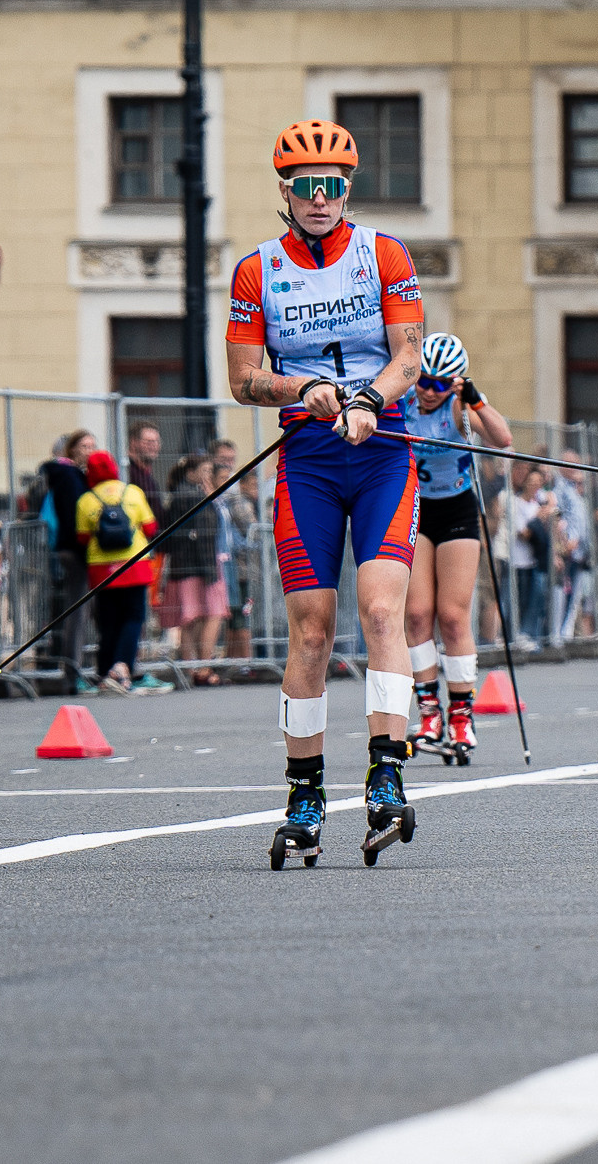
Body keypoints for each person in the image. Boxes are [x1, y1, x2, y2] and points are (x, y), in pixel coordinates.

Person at [225, 117, 425, 868]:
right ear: (285, 190)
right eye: (305, 186)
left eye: (332, 186)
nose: (319, 198)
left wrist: (369, 399)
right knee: (312, 630)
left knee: (381, 608)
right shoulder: (257, 270)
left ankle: (387, 772)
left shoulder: (383, 254)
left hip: (381, 447)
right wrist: (299, 385)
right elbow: (243, 378)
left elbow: (410, 353)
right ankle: (303, 792)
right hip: (307, 456)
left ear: (348, 188)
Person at [400, 331, 513, 761]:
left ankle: (462, 716)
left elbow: (501, 439)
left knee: (451, 615)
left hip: (458, 510)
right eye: (423, 380)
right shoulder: (405, 401)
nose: (428, 391)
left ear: (455, 384)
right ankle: (429, 712)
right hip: (415, 508)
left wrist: (476, 400)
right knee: (416, 614)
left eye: (439, 383)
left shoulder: (457, 406)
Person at [75, 448, 166, 695]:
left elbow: (82, 537)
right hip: (135, 563)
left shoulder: (86, 499)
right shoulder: (132, 492)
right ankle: (123, 668)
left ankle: (105, 672)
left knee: (108, 622)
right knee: (134, 617)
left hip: (101, 569)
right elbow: (150, 526)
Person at [159, 452, 227, 686]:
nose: (209, 475)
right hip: (197, 565)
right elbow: (203, 531)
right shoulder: (190, 496)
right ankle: (202, 667)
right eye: (205, 470)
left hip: (192, 565)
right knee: (203, 616)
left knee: (193, 618)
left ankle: (193, 668)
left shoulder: (189, 494)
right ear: (191, 472)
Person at [40, 428, 98, 692]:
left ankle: (76, 670)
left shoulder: (72, 475)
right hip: (74, 550)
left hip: (74, 549)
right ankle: (72, 672)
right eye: (85, 446)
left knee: (79, 612)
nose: (89, 451)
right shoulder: (68, 475)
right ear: (72, 449)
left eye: (92, 446)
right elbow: (74, 515)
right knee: (77, 611)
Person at [208, 437, 256, 666]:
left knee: (240, 616)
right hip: (226, 566)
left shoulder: (236, 494)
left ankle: (242, 663)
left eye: (231, 459)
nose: (228, 464)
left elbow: (250, 527)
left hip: (242, 567)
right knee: (232, 616)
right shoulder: (222, 496)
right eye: (223, 460)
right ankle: (235, 662)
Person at [550, 450, 596, 639]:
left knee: (575, 593)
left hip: (580, 550)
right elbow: (560, 515)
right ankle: (558, 632)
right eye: (570, 464)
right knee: (562, 589)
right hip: (567, 547)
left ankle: (566, 630)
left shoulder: (575, 489)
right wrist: (566, 540)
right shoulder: (559, 487)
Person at [511, 464, 555, 647]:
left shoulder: (537, 504)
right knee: (520, 599)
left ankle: (530, 635)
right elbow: (523, 533)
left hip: (535, 559)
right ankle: (519, 634)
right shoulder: (518, 503)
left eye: (539, 483)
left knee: (536, 599)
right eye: (532, 482)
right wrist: (538, 518)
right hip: (520, 560)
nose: (535, 486)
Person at [126, 421, 164, 520]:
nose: (154, 445)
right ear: (133, 443)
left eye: (157, 441)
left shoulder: (146, 475)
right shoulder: (127, 474)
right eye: (148, 441)